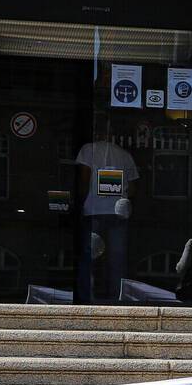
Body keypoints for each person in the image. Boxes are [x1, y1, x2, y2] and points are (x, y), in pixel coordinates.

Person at [72, 129, 138, 304]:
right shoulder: (124, 155)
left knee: (89, 258)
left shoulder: (88, 150)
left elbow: (84, 180)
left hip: (93, 211)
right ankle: (116, 299)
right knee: (117, 259)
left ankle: (86, 299)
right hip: (118, 213)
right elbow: (132, 189)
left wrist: (79, 204)